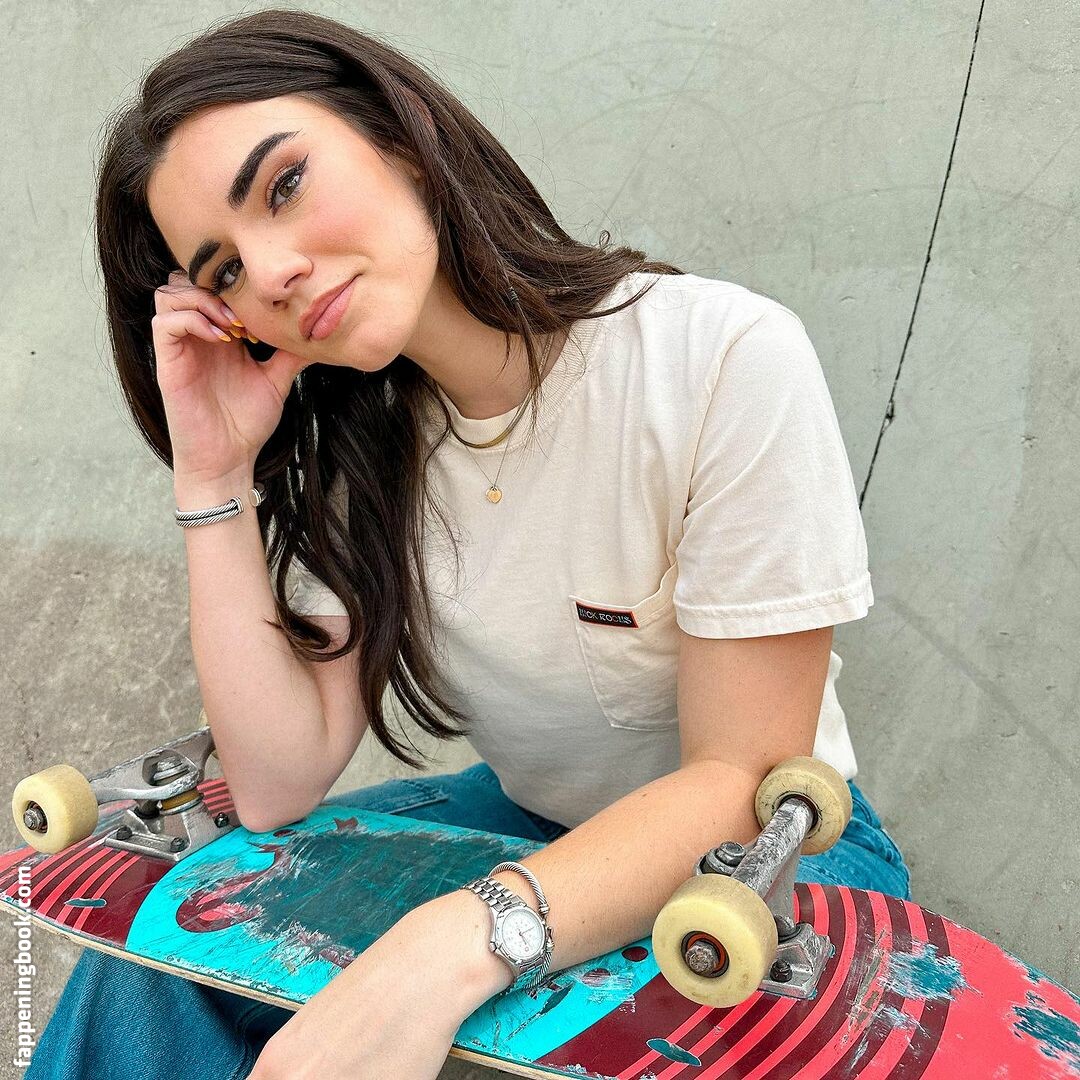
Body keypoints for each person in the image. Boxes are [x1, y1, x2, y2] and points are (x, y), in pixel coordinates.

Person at [29, 8, 912, 1079]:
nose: (270, 271)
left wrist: (449, 944)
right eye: (221, 273)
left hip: (773, 869)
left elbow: (738, 779)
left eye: (285, 185)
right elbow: (274, 784)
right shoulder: (374, 447)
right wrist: (212, 474)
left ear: (400, 135)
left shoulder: (718, 358)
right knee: (173, 947)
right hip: (525, 825)